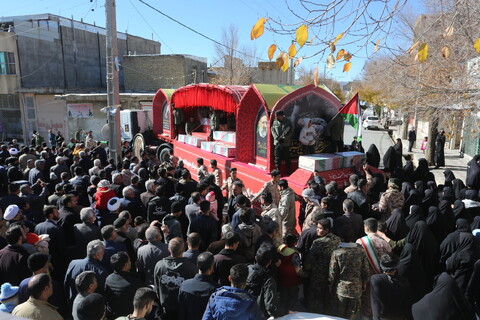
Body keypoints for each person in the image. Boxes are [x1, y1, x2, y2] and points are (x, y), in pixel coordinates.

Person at [329, 229, 370, 320]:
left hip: (341, 289)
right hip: (356, 288)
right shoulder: (361, 251)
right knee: (352, 315)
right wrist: (364, 283)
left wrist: (331, 285)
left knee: (340, 314)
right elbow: (366, 271)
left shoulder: (337, 252)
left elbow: (332, 273)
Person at [304, 218, 342, 314]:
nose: (317, 229)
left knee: (315, 303)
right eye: (317, 227)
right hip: (332, 278)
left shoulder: (318, 243)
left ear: (327, 230)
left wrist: (306, 270)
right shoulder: (338, 240)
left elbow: (309, 263)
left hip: (318, 277)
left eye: (320, 228)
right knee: (328, 302)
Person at [153, 237, 197, 319]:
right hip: (183, 310)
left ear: (169, 249)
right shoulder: (191, 268)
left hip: (166, 308)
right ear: (183, 249)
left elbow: (157, 287)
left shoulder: (159, 266)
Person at [370, 253, 413, 320]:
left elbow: (375, 302)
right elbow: (407, 304)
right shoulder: (404, 281)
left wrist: (376, 318)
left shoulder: (375, 279)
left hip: (383, 316)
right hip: (400, 316)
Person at [64, 239, 108, 304]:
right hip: (91, 308)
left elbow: (66, 284)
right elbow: (104, 294)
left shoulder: (73, 263)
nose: (104, 253)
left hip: (74, 304)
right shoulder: (101, 272)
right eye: (103, 251)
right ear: (97, 255)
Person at [178, 252, 219, 320]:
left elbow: (181, 312)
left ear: (197, 265)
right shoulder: (216, 290)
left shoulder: (185, 285)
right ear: (211, 267)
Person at [104, 251, 144, 319]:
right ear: (126, 265)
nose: (131, 262)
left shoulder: (108, 279)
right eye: (129, 261)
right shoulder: (134, 282)